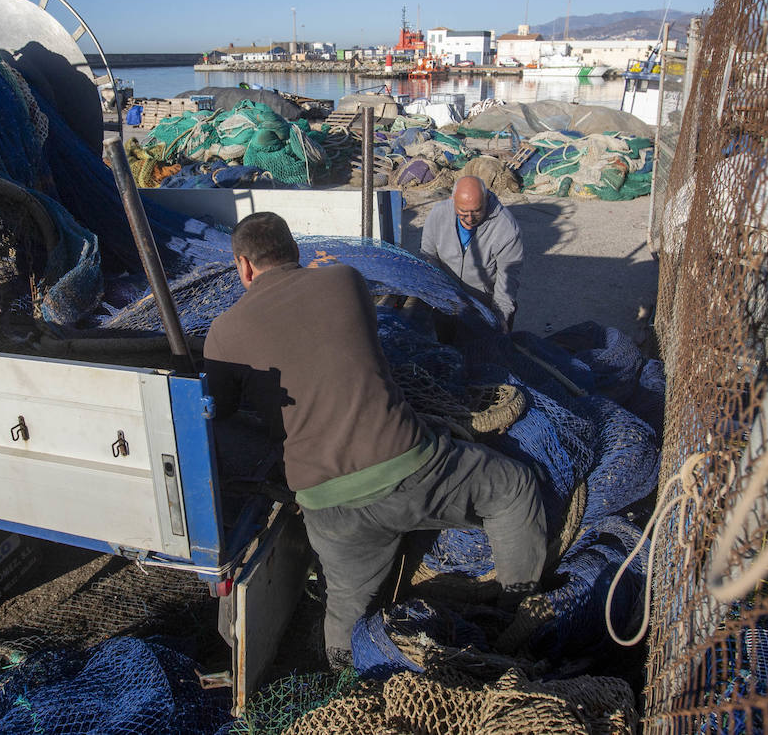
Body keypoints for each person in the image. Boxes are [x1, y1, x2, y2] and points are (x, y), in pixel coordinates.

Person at [203, 212, 548, 667]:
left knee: (345, 608)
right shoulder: (344, 281)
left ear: (243, 266)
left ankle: (346, 679)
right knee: (514, 487)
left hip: (328, 506)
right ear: (295, 251)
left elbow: (220, 409)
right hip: (415, 470)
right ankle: (515, 613)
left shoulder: (223, 332)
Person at [419, 175, 524, 331]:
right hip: (447, 301)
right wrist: (437, 294)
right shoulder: (437, 215)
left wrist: (500, 317)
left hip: (485, 305)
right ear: (453, 200)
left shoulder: (507, 229)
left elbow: (508, 280)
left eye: (476, 211)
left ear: (486, 199)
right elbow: (428, 255)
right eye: (463, 212)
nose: (469, 218)